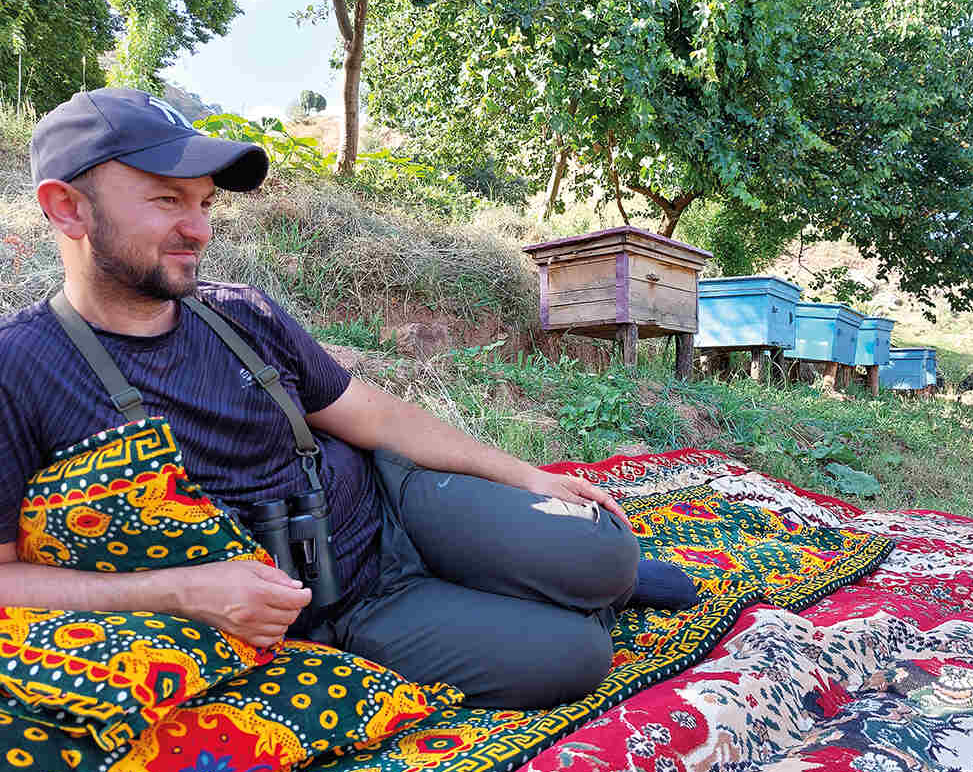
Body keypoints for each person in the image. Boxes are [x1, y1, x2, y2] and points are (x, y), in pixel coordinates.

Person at [0, 88, 652, 710]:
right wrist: (182, 592)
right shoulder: (20, 370)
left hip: (395, 509)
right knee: (578, 656)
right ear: (66, 208)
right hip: (346, 611)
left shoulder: (241, 314)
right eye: (168, 200)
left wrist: (529, 475)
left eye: (204, 204)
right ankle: (534, 588)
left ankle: (554, 573)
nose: (197, 229)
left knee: (609, 553)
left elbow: (374, 414)